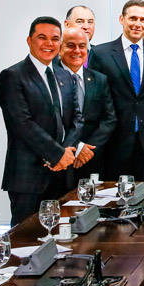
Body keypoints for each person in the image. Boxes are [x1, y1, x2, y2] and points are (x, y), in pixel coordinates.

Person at [0, 16, 83, 226]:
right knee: (25, 238)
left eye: (55, 39)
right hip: (28, 177)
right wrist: (57, 154)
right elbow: (22, 124)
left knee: (62, 236)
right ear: (29, 40)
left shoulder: (65, 76)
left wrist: (65, 153)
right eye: (42, 37)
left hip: (62, 175)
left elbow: (77, 119)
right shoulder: (12, 76)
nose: (49, 43)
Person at [88, 0, 144, 181]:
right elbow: (94, 103)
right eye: (133, 18)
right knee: (115, 195)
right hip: (114, 142)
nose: (138, 24)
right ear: (122, 19)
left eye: (143, 20)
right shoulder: (101, 54)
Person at [58, 27, 117, 179]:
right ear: (59, 48)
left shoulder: (99, 79)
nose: (77, 51)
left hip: (90, 160)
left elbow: (109, 119)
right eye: (71, 45)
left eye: (82, 46)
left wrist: (87, 150)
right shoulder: (50, 77)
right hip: (58, 159)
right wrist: (77, 147)